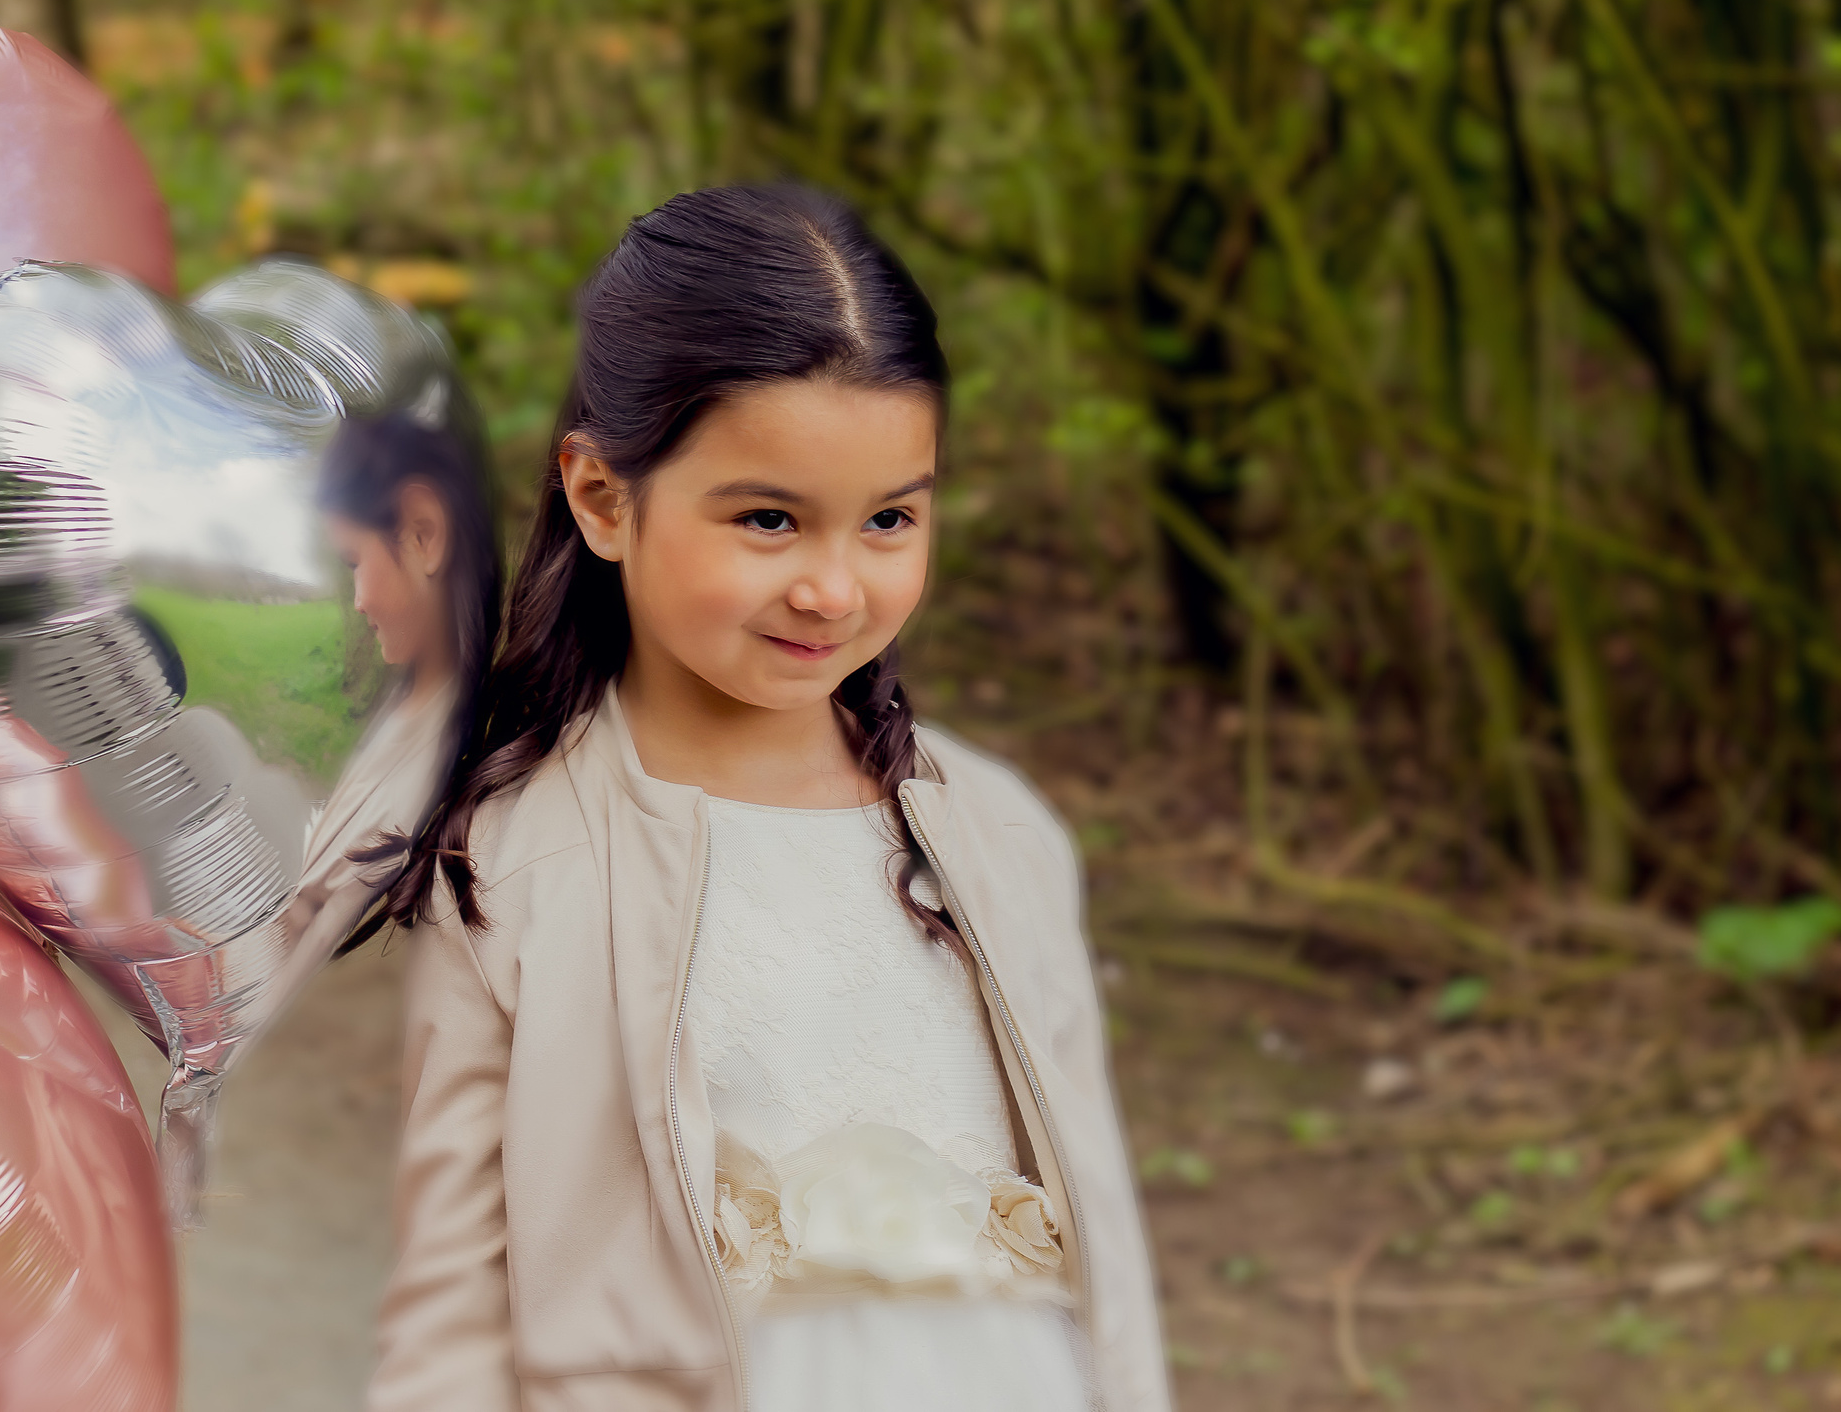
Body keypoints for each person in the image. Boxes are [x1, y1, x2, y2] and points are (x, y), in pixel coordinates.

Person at [362, 185, 1171, 1411]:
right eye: (769, 519)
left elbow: (1104, 1261)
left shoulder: (992, 833)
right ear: (601, 499)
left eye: (891, 517)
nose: (834, 590)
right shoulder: (515, 864)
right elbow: (450, 1315)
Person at [267, 406, 501, 1009]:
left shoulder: (439, 778)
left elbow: (290, 968)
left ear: (424, 533)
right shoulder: (409, 711)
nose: (358, 601)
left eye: (354, 563)